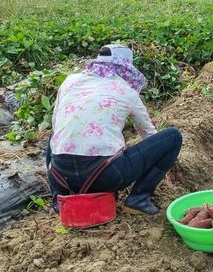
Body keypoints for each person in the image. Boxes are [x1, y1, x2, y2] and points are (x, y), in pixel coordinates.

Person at [45, 44, 182, 215]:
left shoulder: (70, 81)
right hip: (106, 177)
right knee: (173, 137)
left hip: (62, 177)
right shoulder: (126, 90)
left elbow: (55, 122)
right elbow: (148, 135)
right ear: (126, 67)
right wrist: (168, 162)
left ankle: (59, 201)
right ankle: (138, 199)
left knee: (57, 132)